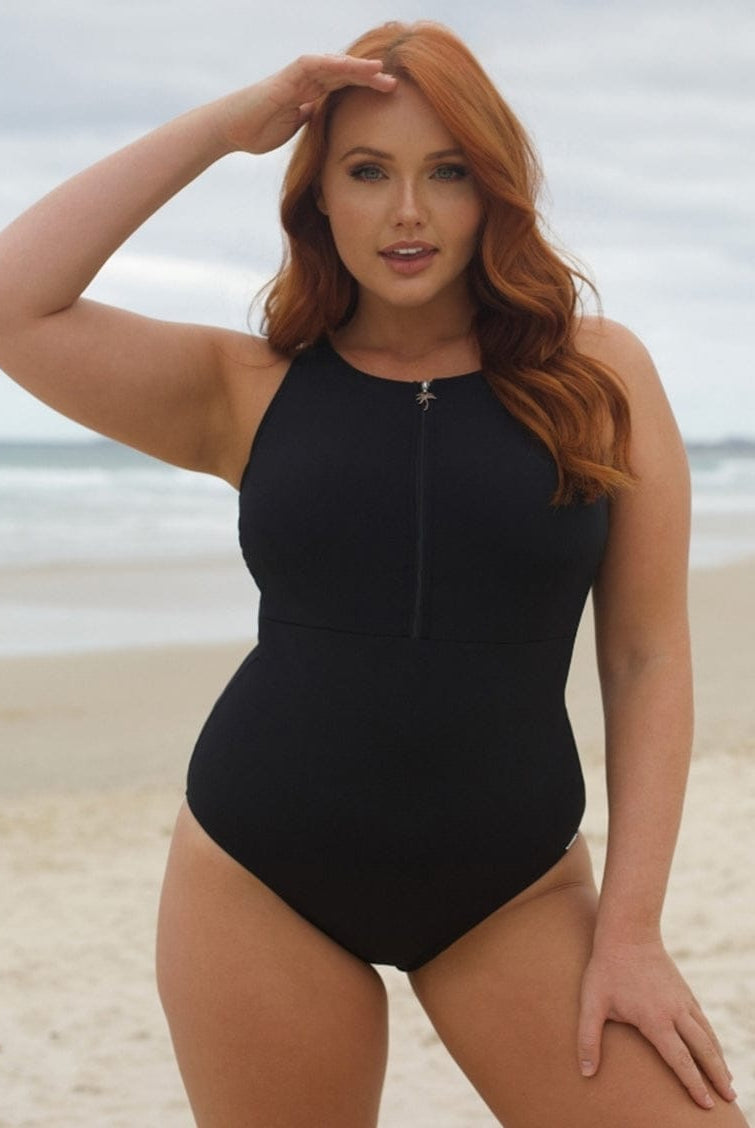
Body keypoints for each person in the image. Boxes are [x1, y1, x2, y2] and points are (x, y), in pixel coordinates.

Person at [0, 19, 748, 1128]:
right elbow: (14, 301)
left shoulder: (596, 376)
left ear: (493, 191)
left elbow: (643, 657)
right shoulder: (246, 387)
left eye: (447, 172)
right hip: (260, 879)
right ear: (317, 195)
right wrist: (227, 125)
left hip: (514, 891)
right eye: (366, 171)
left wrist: (631, 933)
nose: (407, 211)